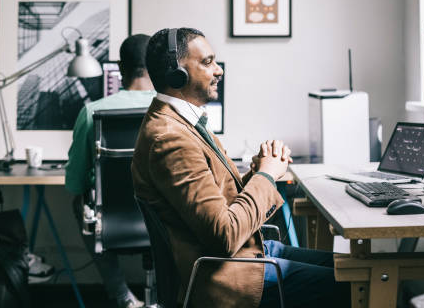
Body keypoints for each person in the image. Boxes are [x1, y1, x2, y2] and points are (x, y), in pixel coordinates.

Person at [132, 27, 350, 308]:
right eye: (208, 62)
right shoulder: (171, 139)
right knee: (357, 282)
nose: (219, 70)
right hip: (227, 276)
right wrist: (266, 175)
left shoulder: (181, 122)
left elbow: (218, 207)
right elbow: (224, 236)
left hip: (243, 256)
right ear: (177, 73)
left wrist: (257, 172)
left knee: (356, 266)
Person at [65, 34, 155, 308]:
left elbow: (75, 182)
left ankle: (122, 296)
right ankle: (168, 291)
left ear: (119, 67)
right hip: (164, 222)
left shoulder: (92, 111)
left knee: (78, 204)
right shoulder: (176, 110)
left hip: (112, 223)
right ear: (154, 65)